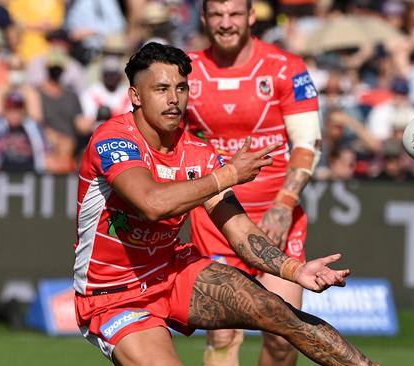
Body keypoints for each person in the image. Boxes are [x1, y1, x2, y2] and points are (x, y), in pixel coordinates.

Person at [73, 41, 377, 366]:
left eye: (181, 88)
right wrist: (229, 173)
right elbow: (152, 203)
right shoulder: (114, 139)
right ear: (135, 96)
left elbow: (241, 232)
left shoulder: (198, 152)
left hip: (171, 273)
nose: (174, 99)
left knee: (279, 312)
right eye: (161, 89)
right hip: (114, 295)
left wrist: (294, 269)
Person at [184, 1, 324, 364]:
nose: (225, 24)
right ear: (204, 19)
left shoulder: (285, 67)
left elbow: (308, 144)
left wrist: (284, 204)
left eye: (234, 14)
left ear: (250, 17)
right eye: (217, 15)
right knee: (223, 335)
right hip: (217, 219)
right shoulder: (186, 70)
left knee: (284, 336)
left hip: (277, 214)